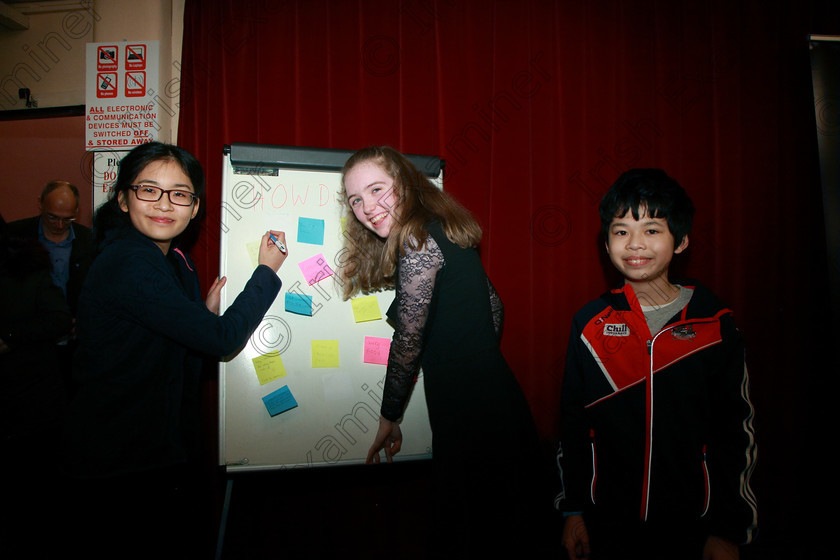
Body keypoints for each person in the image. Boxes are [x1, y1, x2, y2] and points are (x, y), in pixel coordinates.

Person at [61, 142, 288, 558]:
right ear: (123, 199)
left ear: (195, 207)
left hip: (150, 450)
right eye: (149, 189)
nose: (164, 204)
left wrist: (194, 318)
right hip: (120, 460)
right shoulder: (131, 261)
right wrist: (266, 272)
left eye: (180, 193)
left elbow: (165, 343)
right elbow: (221, 340)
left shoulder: (169, 259)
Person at [340, 146, 549, 557]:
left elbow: (408, 340)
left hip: (468, 410)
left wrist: (389, 415)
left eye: (377, 189)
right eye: (356, 200)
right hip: (498, 396)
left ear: (403, 185)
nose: (368, 207)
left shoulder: (417, 240)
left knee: (474, 533)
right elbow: (494, 305)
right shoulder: (442, 230)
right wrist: (476, 356)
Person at [556, 169, 758, 559]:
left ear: (681, 241)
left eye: (651, 230)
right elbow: (573, 424)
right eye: (620, 231)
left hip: (693, 528)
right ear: (607, 241)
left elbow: (737, 433)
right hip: (608, 526)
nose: (634, 244)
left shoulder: (716, 325)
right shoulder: (588, 323)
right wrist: (574, 508)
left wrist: (727, 530)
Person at [0, 214, 73, 556]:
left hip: (31, 399)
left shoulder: (26, 268)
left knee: (33, 492)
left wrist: (10, 338)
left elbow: (59, 320)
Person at [7, 181, 95, 392]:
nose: (58, 225)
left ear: (77, 211)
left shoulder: (90, 242)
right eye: (52, 217)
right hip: (27, 344)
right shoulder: (14, 236)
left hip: (76, 345)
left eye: (67, 219)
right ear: (40, 204)